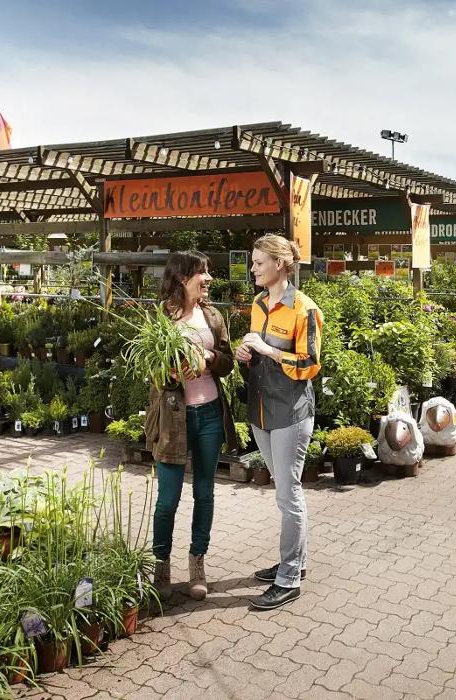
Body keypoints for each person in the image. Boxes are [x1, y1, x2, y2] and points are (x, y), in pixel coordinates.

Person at [235, 234, 323, 610]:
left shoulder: (305, 309)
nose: (253, 268)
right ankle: (296, 562)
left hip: (290, 412)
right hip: (260, 409)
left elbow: (311, 365)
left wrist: (269, 350)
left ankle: (289, 578)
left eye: (258, 262)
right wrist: (246, 353)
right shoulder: (258, 304)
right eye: (253, 262)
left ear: (280, 265)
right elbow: (256, 353)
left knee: (289, 494)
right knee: (283, 491)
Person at [148, 250, 238, 602]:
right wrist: (169, 373)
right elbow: (148, 370)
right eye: (202, 272)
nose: (208, 278)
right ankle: (161, 564)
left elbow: (228, 362)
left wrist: (212, 358)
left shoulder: (213, 316)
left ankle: (197, 562)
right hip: (173, 418)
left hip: (210, 414)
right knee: (167, 500)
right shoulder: (161, 319)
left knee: (205, 492)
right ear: (183, 277)